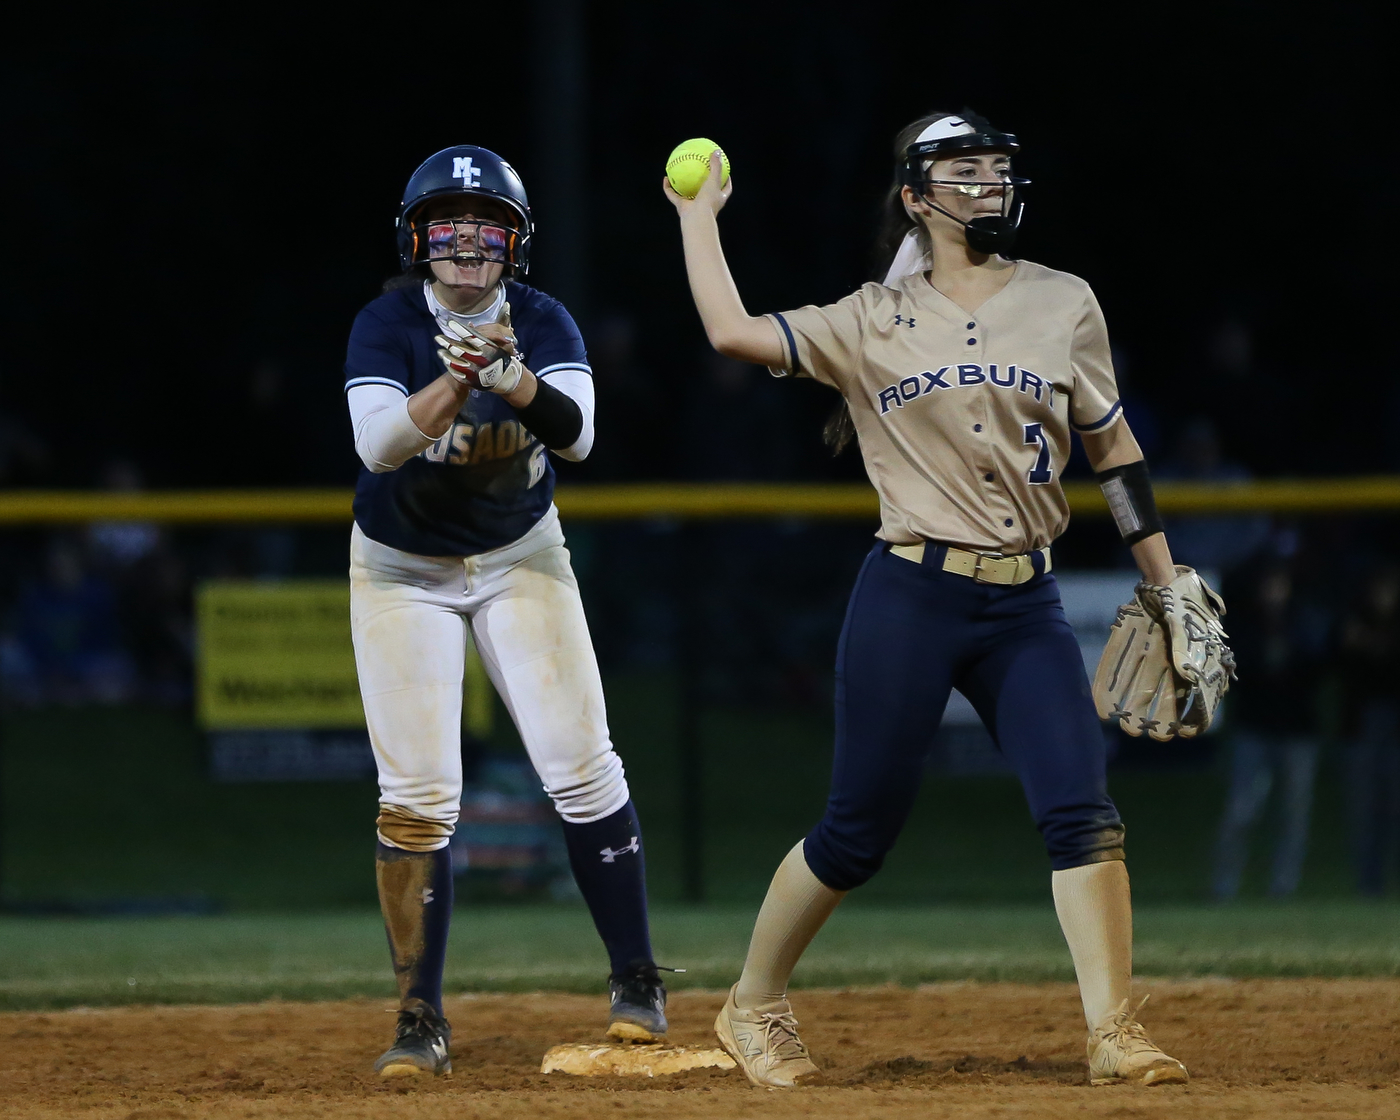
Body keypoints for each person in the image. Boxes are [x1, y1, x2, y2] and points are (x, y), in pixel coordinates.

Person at [666, 110, 1195, 1088]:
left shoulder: (1062, 301)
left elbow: (1112, 452)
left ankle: (1112, 1029)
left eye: (995, 166)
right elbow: (729, 332)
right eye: (962, 170)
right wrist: (697, 213)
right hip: (909, 592)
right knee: (854, 831)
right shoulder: (870, 318)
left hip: (1024, 608)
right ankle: (750, 1001)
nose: (987, 182)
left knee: (1082, 810)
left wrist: (1165, 583)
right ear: (914, 197)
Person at [344, 145, 665, 1077]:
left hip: (520, 554)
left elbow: (582, 433)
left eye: (486, 228)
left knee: (582, 764)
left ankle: (637, 978)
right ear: (418, 240)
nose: (467, 244)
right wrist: (455, 381)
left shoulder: (544, 319)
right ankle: (418, 1018)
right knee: (415, 798)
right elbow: (379, 446)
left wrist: (511, 374)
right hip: (403, 567)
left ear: (514, 243)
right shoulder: (386, 321)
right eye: (448, 226)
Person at [1211, 562, 1327, 899]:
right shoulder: (1246, 625)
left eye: (1279, 585)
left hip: (1298, 731)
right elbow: (1235, 669)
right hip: (1255, 729)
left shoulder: (1304, 623)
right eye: (1268, 585)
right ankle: (1224, 887)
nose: (1273, 593)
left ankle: (1283, 888)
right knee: (1241, 810)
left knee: (1294, 815)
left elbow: (1317, 667)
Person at [1337, 563, 1400, 895]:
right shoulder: (1354, 618)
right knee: (1364, 808)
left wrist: (1372, 644)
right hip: (1362, 725)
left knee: (1393, 807)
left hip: (1393, 726)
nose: (1384, 596)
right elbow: (1340, 663)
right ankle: (1368, 882)